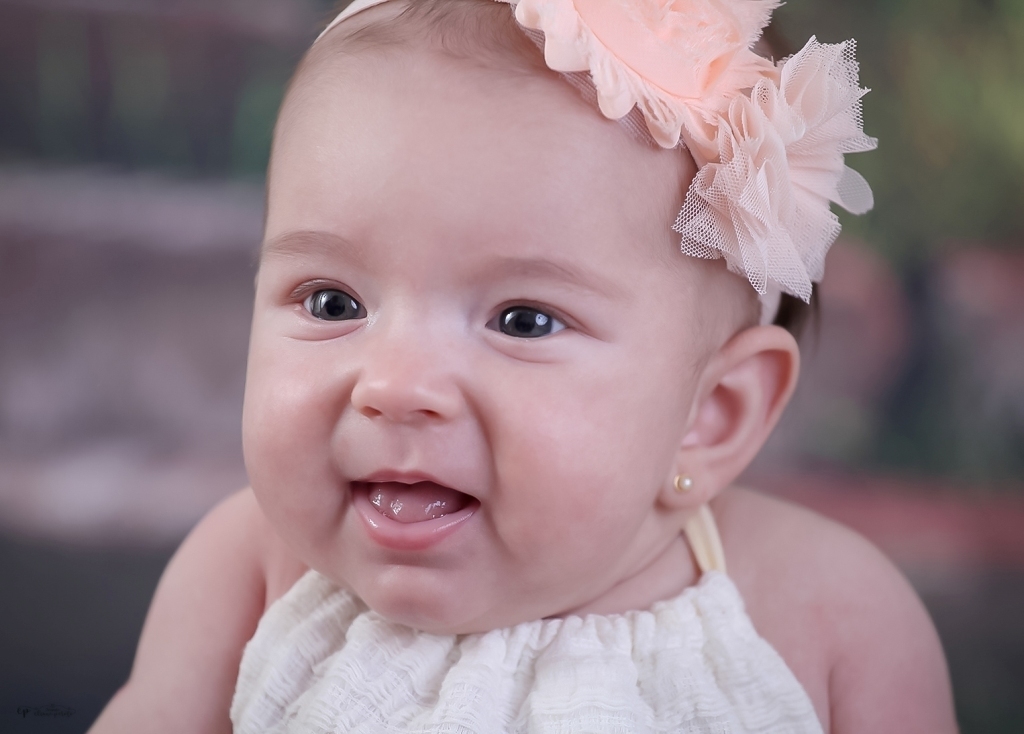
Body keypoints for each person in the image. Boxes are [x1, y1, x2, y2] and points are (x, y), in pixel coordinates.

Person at [88, 0, 958, 731]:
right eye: (332, 303)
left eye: (523, 321)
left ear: (711, 413)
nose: (395, 385)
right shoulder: (250, 572)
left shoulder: (831, 620)